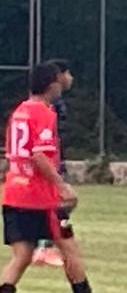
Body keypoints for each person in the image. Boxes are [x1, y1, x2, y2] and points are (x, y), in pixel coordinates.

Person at [0, 62, 122, 293]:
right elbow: (39, 155)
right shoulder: (44, 113)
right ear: (51, 84)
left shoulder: (19, 111)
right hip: (40, 197)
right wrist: (61, 185)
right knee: (69, 248)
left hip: (13, 192)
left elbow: (14, 154)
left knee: (22, 254)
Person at [31, 59, 74, 268]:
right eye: (68, 74)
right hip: (50, 159)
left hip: (56, 156)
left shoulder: (55, 102)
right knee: (60, 201)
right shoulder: (50, 104)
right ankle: (45, 246)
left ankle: (44, 244)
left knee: (60, 202)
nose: (71, 78)